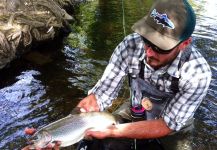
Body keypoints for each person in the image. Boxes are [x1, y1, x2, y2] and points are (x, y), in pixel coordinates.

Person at [22, 0, 211, 150]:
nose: (148, 52)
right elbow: (102, 94)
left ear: (184, 44)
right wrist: (68, 126)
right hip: (136, 109)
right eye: (147, 40)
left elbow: (167, 125)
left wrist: (114, 132)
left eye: (159, 47)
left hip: (174, 127)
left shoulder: (197, 73)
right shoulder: (130, 45)